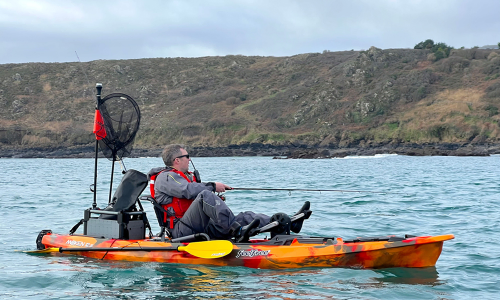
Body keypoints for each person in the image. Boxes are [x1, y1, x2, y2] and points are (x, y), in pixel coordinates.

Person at [147, 144, 310, 242]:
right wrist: (212, 187)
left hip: (200, 225)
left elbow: (192, 193)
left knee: (245, 216)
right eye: (187, 156)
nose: (189, 160)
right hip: (182, 230)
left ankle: (285, 223)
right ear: (177, 160)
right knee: (206, 195)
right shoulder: (166, 177)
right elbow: (188, 191)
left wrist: (214, 195)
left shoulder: (182, 177)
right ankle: (237, 231)